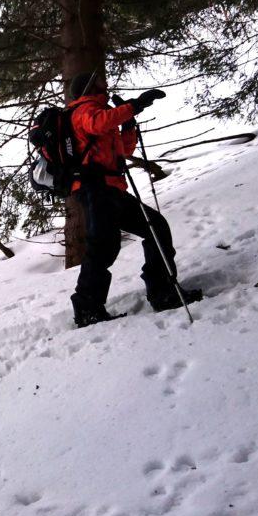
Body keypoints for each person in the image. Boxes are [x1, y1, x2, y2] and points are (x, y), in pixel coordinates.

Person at [67, 72, 202, 327]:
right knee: (103, 247)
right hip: (95, 189)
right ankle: (87, 309)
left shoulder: (101, 113)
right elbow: (98, 124)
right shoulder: (83, 111)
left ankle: (163, 292)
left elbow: (123, 151)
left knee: (156, 227)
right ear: (88, 88)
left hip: (111, 189)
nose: (104, 84)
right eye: (98, 82)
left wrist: (128, 125)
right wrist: (134, 106)